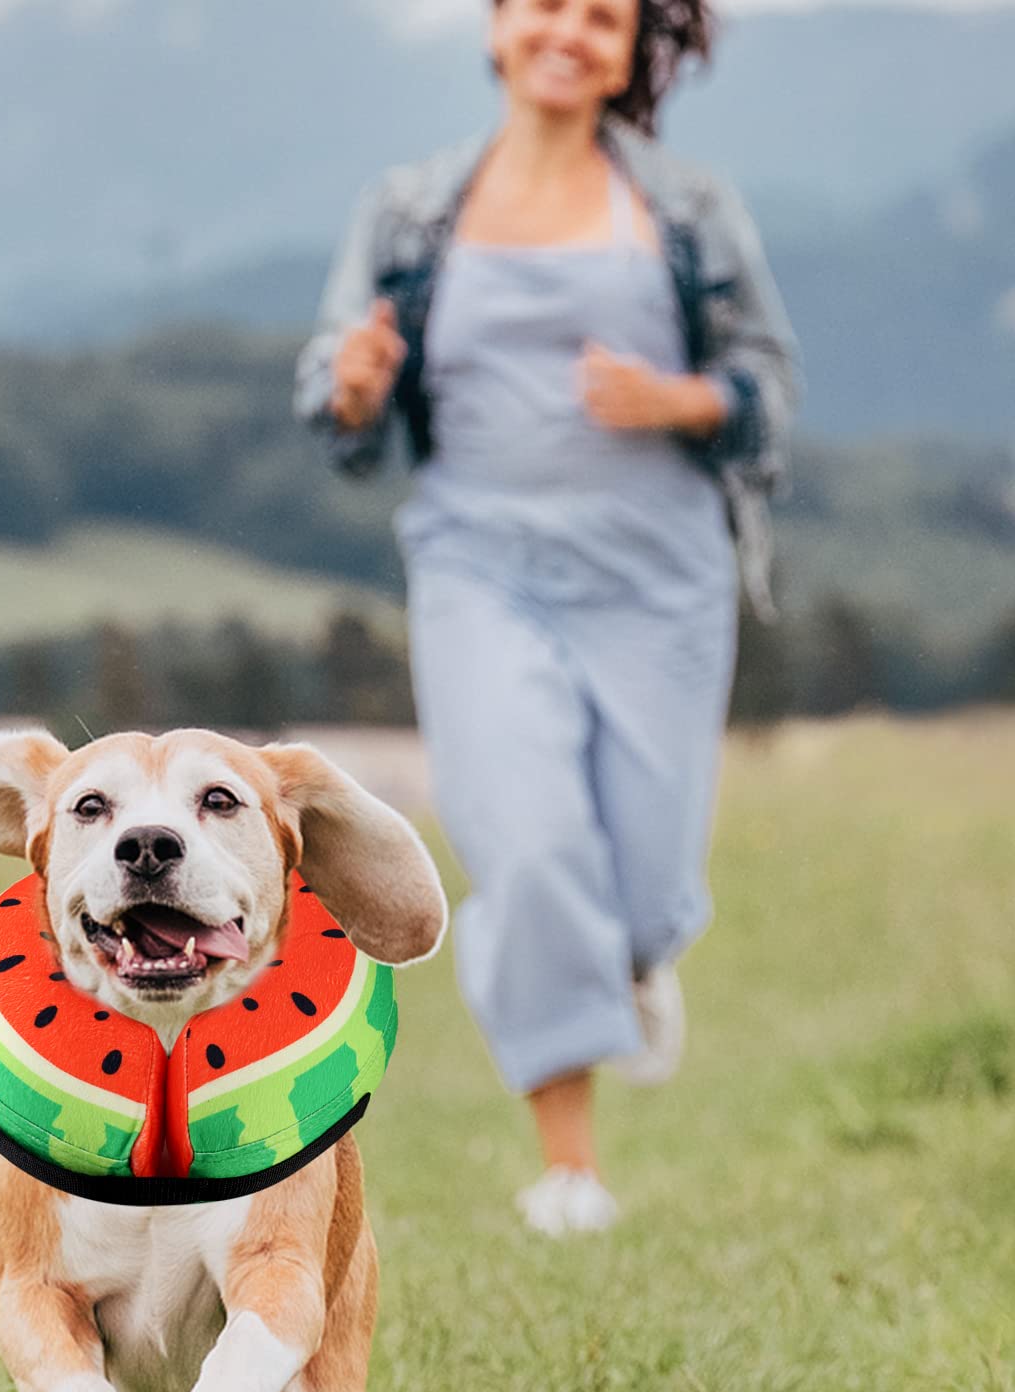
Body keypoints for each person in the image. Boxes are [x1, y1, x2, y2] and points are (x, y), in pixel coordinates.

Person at [294, 0, 800, 1236]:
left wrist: (679, 397)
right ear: (496, 28)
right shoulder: (411, 211)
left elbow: (768, 394)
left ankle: (632, 954)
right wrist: (352, 389)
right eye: (543, 8)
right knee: (524, 841)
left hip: (658, 580)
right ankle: (568, 1169)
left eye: (602, 16)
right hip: (481, 569)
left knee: (643, 868)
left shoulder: (687, 208)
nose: (567, 32)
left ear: (634, 48)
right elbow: (332, 396)